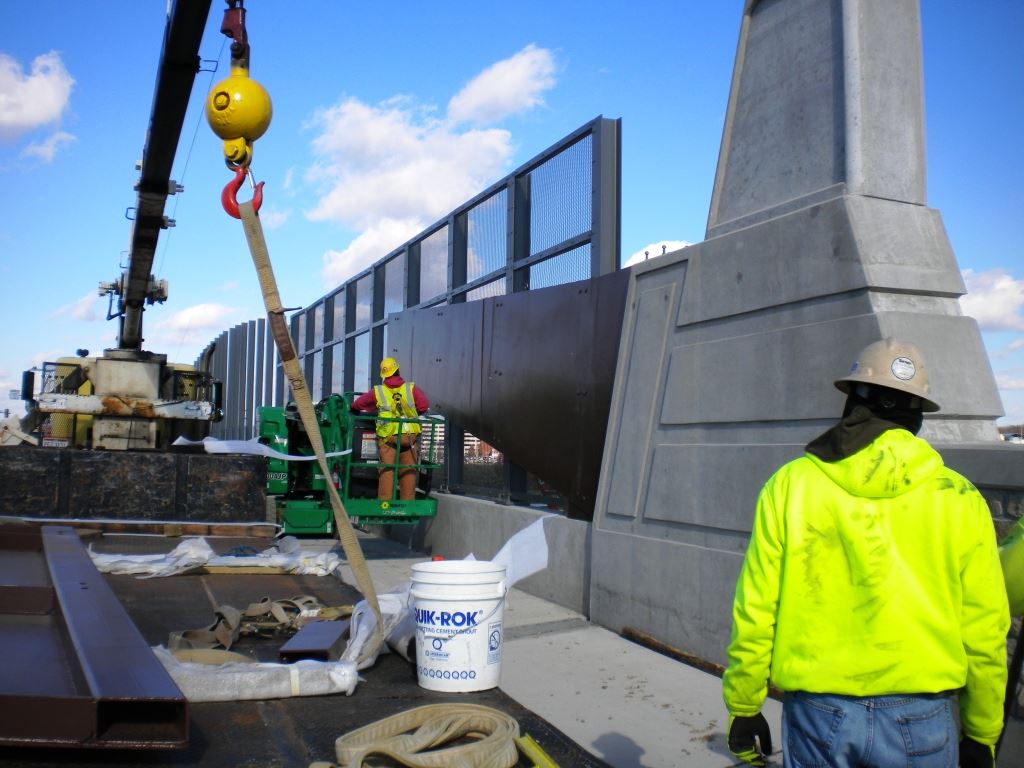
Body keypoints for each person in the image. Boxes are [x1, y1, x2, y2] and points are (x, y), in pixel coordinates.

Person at [722, 338, 1010, 768]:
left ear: (853, 400)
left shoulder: (791, 485)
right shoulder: (958, 496)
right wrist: (982, 731)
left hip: (818, 712)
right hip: (922, 717)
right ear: (916, 413)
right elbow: (984, 627)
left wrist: (744, 704)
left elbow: (757, 607)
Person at [350, 357, 429, 501]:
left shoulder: (378, 391)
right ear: (398, 370)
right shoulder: (411, 388)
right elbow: (423, 405)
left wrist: (357, 409)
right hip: (409, 437)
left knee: (387, 470)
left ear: (384, 374)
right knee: (409, 470)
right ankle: (407, 504)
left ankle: (385, 503)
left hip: (388, 437)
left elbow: (358, 404)